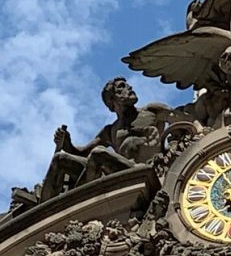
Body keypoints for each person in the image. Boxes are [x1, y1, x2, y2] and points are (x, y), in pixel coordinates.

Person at [40, 77, 174, 201]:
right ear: (112, 100)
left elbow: (181, 119)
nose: (130, 87)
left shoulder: (152, 111)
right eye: (122, 86)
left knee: (98, 154)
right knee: (59, 159)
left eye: (127, 84)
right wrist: (66, 143)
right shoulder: (110, 131)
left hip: (143, 168)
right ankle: (43, 214)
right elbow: (81, 153)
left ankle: (78, 200)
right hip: (123, 169)